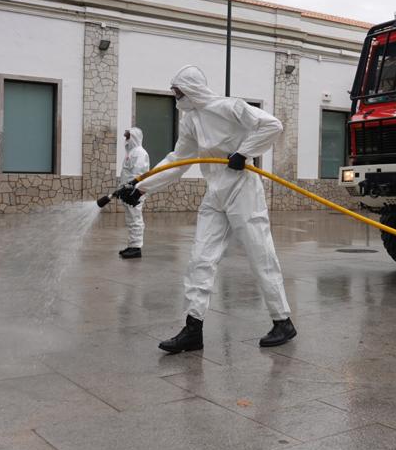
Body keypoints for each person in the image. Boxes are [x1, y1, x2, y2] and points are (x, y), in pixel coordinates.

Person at [118, 65, 297, 352]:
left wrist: (244, 152)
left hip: (243, 189)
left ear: (191, 90)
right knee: (200, 258)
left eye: (178, 92)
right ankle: (193, 328)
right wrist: (141, 188)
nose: (176, 98)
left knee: (260, 255)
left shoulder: (231, 107)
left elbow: (272, 125)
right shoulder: (190, 122)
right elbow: (178, 159)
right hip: (215, 194)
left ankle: (282, 320)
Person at [118, 126, 150, 259]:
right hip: (128, 191)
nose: (126, 139)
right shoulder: (131, 153)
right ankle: (132, 245)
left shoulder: (140, 153)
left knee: (135, 218)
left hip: (135, 192)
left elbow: (138, 174)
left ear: (134, 137)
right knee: (131, 219)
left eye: (128, 136)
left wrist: (131, 190)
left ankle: (136, 248)